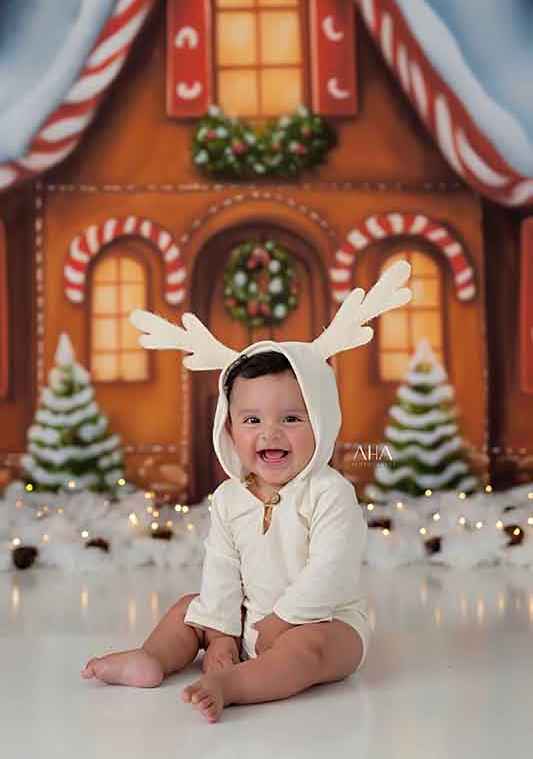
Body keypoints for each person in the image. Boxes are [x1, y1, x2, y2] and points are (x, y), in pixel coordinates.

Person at [82, 259, 412, 723]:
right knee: (188, 608)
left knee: (309, 649)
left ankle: (231, 685)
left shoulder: (330, 493)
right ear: (229, 428)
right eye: (252, 420)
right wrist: (219, 634)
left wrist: (282, 621)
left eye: (292, 419)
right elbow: (221, 568)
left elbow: (331, 571)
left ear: (323, 423)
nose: (270, 434)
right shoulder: (229, 498)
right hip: (247, 618)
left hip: (323, 619)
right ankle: (151, 658)